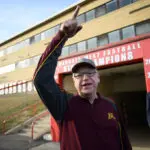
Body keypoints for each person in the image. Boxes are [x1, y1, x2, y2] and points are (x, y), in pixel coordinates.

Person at [33, 6, 132, 150]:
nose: (85, 78)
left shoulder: (111, 106)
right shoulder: (64, 105)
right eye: (79, 75)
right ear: (74, 81)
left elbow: (124, 143)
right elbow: (41, 79)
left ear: (98, 78)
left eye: (90, 73)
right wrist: (61, 36)